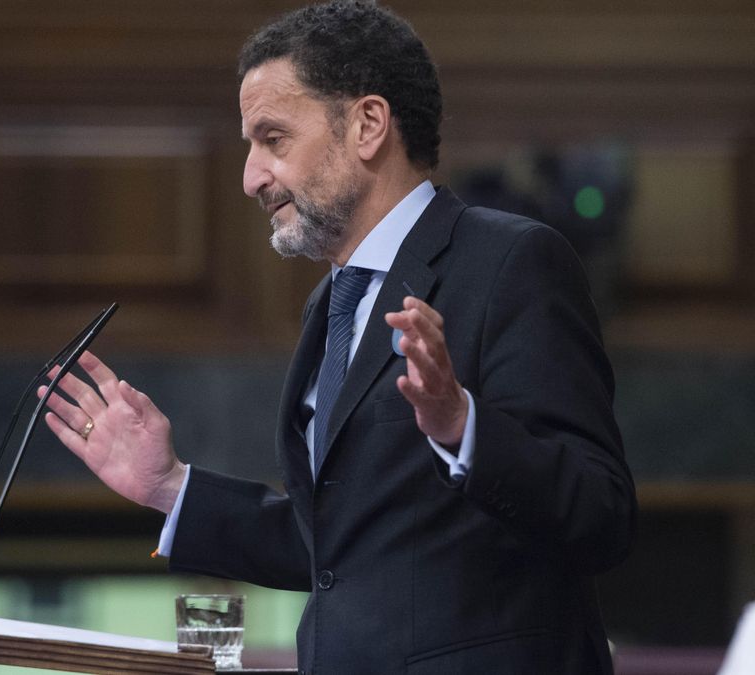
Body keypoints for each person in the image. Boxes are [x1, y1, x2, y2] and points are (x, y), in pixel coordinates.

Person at [39, 2, 636, 673]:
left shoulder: (512, 262)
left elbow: (601, 513)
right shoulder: (332, 303)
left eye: (273, 139)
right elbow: (340, 553)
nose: (250, 176)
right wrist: (171, 487)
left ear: (368, 125)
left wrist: (462, 425)